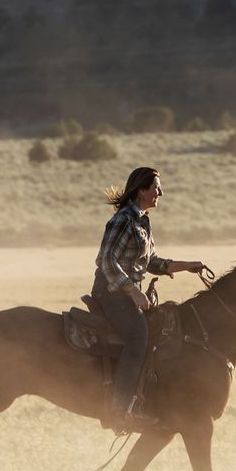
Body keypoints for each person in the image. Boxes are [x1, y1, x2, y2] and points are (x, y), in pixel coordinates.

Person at [93, 166, 206, 428]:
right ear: (141, 190)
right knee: (138, 334)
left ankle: (144, 399)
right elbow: (106, 261)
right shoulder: (122, 220)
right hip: (110, 292)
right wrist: (133, 291)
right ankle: (120, 409)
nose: (160, 193)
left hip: (126, 293)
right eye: (156, 187)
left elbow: (151, 262)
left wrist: (186, 265)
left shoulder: (142, 220)